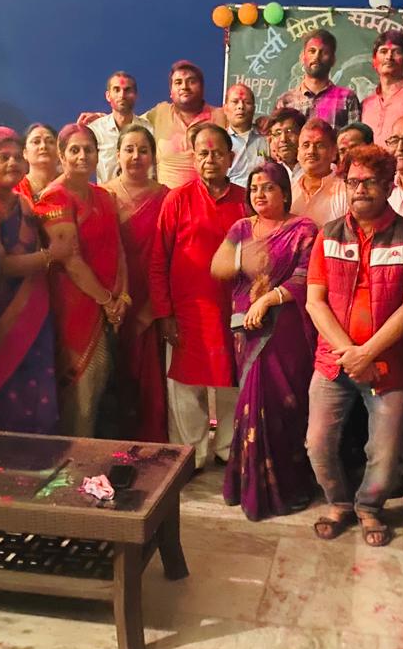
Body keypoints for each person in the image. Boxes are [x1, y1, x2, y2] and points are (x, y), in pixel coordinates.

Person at [305, 144, 403, 547]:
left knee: (385, 452)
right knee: (317, 443)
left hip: (387, 365)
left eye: (371, 181)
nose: (360, 189)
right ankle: (339, 503)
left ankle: (369, 507)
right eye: (354, 181)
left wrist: (368, 353)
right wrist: (351, 354)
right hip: (333, 362)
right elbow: (315, 302)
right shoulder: (328, 234)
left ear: (389, 185)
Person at [210, 162, 318, 519]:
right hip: (248, 330)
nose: (259, 193)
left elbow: (306, 276)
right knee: (251, 403)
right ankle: (250, 487)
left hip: (285, 330)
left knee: (284, 407)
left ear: (285, 193)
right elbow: (217, 267)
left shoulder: (304, 229)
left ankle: (288, 487)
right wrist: (243, 256)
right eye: (254, 188)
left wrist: (269, 299)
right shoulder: (241, 228)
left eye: (268, 187)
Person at [150, 123, 247, 469]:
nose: (210, 160)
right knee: (185, 388)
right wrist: (164, 314)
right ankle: (190, 456)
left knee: (232, 384)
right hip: (186, 313)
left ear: (231, 158)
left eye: (218, 153)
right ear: (193, 158)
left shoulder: (245, 200)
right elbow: (158, 260)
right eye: (203, 153)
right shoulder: (177, 200)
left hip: (232, 311)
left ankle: (228, 450)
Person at [34, 124, 128, 438]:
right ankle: (75, 458)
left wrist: (122, 297)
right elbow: (71, 261)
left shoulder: (104, 195)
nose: (82, 156)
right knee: (81, 396)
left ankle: (94, 456)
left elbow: (118, 248)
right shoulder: (54, 198)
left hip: (109, 306)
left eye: (89, 150)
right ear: (61, 156)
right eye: (74, 150)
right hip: (74, 309)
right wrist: (107, 301)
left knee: (103, 391)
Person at [0, 127, 68, 434]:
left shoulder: (23, 203)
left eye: (16, 157)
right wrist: (52, 256)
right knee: (1, 396)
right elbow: (1, 266)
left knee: (37, 393)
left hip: (34, 315)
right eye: (2, 157)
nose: (12, 163)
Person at [103, 125, 169, 443]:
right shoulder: (102, 196)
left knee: (151, 378)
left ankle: (153, 447)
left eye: (143, 150)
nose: (136, 156)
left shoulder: (167, 197)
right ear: (117, 155)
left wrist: (155, 307)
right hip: (112, 299)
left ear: (153, 157)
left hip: (153, 301)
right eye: (129, 149)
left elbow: (173, 256)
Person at [143, 60, 227, 189]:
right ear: (171, 91)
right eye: (178, 82)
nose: (184, 87)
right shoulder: (160, 112)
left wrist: (261, 123)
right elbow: (130, 122)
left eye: (191, 81)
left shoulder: (221, 116)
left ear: (202, 88)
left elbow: (245, 128)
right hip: (167, 199)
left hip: (208, 198)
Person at [275, 29, 361, 129]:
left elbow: (355, 137)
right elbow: (277, 136)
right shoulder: (285, 102)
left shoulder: (347, 98)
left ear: (333, 60)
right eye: (312, 51)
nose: (316, 57)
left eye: (324, 52)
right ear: (302, 57)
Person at [87, 72, 153, 184]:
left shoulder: (149, 130)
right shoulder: (95, 130)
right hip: (105, 193)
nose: (122, 95)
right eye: (116, 90)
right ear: (108, 96)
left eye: (127, 90)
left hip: (142, 193)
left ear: (135, 95)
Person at [290, 117, 347, 225]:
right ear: (298, 153)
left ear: (334, 152)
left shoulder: (345, 192)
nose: (311, 151)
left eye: (320, 145)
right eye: (306, 145)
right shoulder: (288, 191)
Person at [224, 83, 268, 188]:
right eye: (235, 102)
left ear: (254, 108)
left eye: (247, 102)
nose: (241, 106)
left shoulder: (266, 137)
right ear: (225, 108)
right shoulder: (221, 142)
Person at [16, 123, 58, 204]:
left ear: (59, 151)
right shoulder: (14, 190)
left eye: (50, 142)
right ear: (25, 153)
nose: (43, 146)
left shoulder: (70, 190)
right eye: (36, 142)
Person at [267, 107, 306, 182]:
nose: (283, 139)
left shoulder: (317, 168)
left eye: (289, 131)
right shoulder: (268, 174)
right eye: (278, 133)